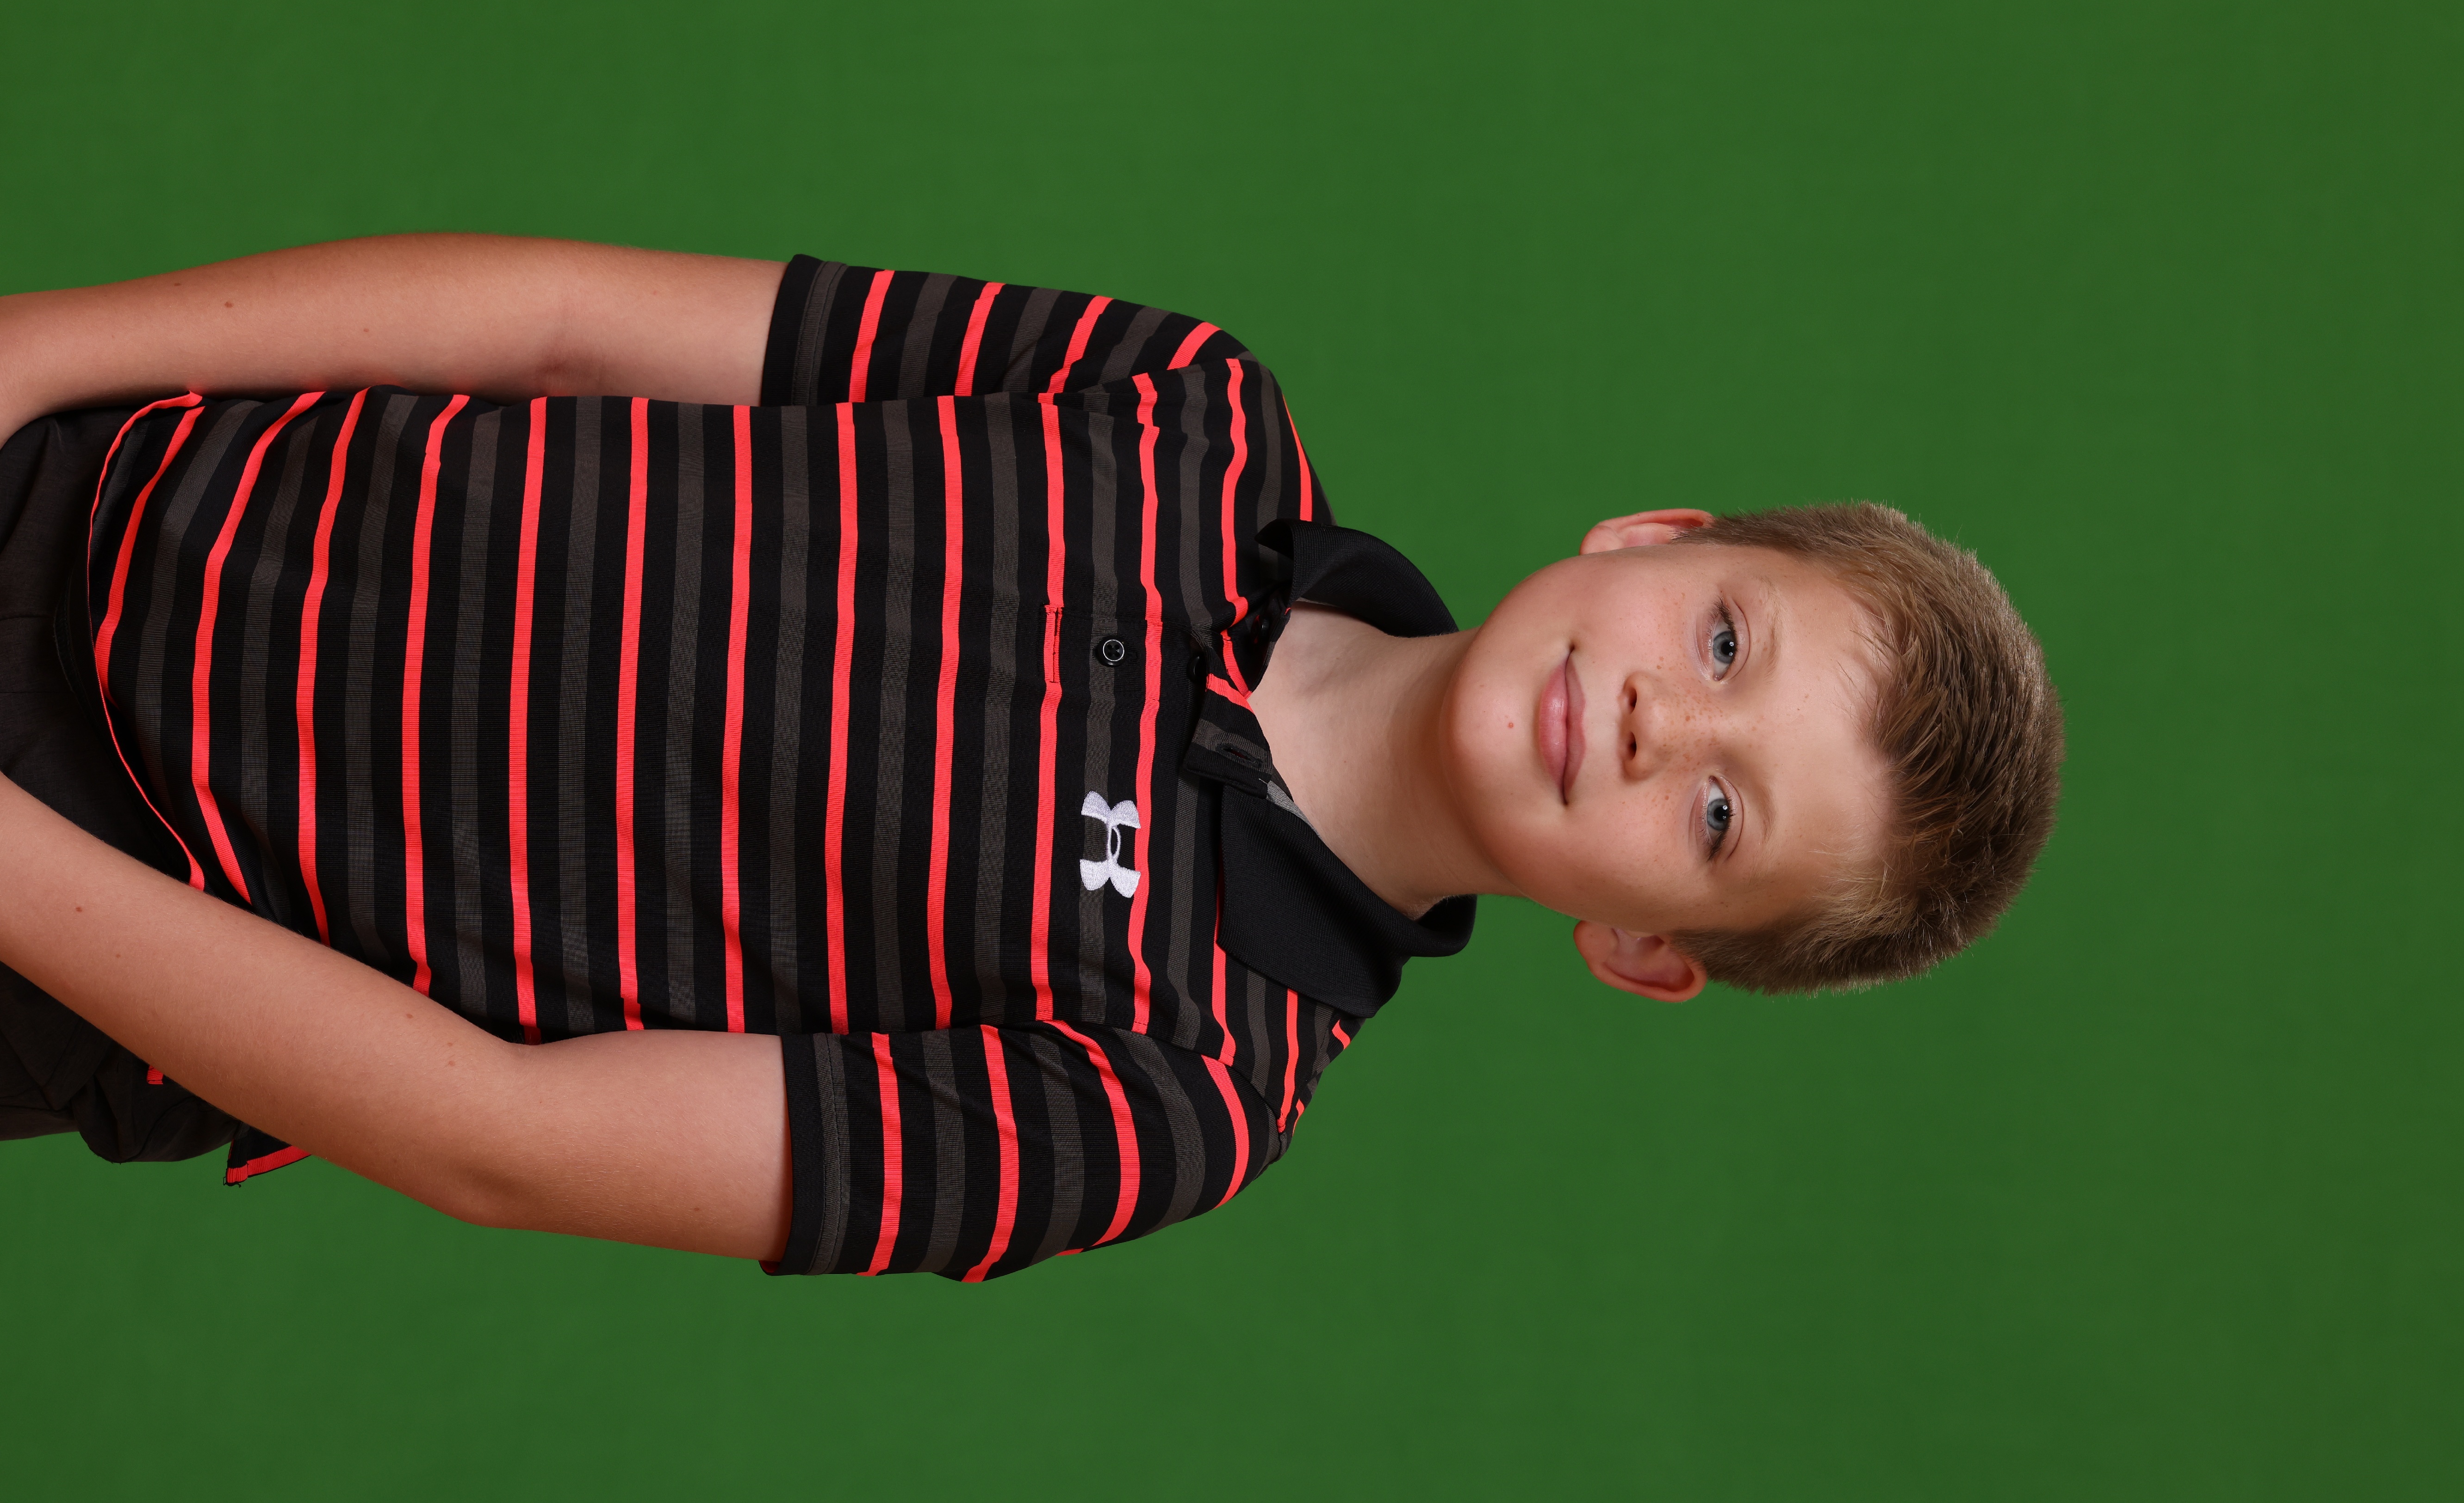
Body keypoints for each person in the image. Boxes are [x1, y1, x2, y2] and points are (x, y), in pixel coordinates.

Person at [0, 236, 2062, 1279]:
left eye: (1718, 814)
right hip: (82, 484)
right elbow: (559, 319)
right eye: (1724, 643)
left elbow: (502, 1136)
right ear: (1653, 539)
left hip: (84, 911)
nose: (1653, 721)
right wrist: (31, 353)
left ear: (1645, 951)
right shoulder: (1186, 409)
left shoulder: (1185, 1095)